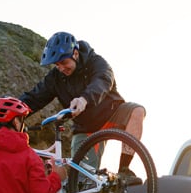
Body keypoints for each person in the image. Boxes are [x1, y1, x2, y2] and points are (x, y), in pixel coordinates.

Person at [19, 31, 146, 181]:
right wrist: (10, 116)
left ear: (75, 53)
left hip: (111, 113)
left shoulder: (96, 62)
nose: (61, 68)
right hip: (86, 128)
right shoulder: (55, 77)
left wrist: (84, 99)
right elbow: (35, 97)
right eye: (57, 64)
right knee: (81, 185)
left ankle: (124, 170)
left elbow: (103, 80)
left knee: (136, 111)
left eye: (64, 63)